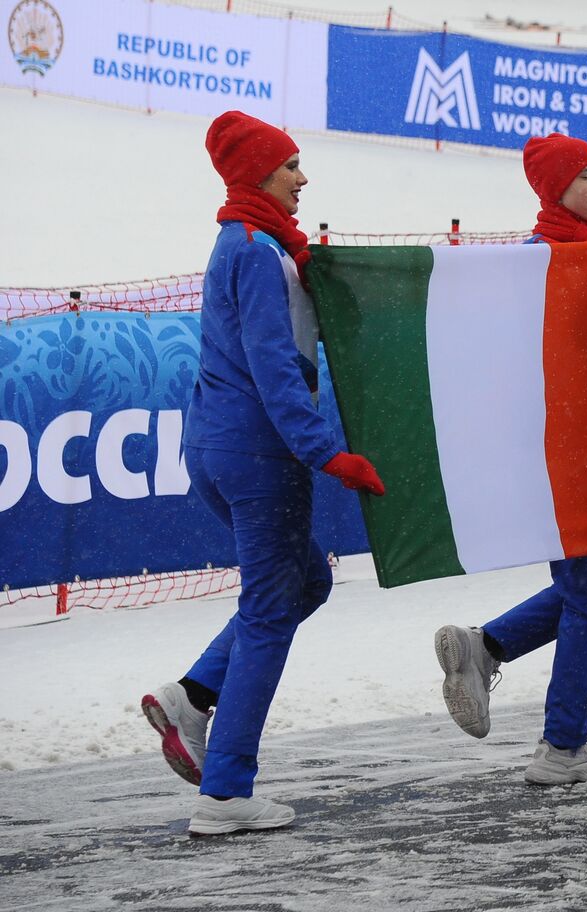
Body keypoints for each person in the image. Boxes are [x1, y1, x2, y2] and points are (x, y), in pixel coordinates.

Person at [141, 110, 386, 836]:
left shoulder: (257, 245)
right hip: (258, 456)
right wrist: (325, 451)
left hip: (225, 448)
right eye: (290, 167)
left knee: (303, 581)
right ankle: (225, 793)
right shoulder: (252, 250)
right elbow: (275, 368)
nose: (303, 178)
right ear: (258, 174)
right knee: (272, 609)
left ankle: (192, 694)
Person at [433, 134, 587, 786]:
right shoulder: (572, 262)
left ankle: (485, 647)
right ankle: (562, 745)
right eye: (585, 177)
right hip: (576, 455)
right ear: (554, 187)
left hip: (553, 453)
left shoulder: (533, 259)